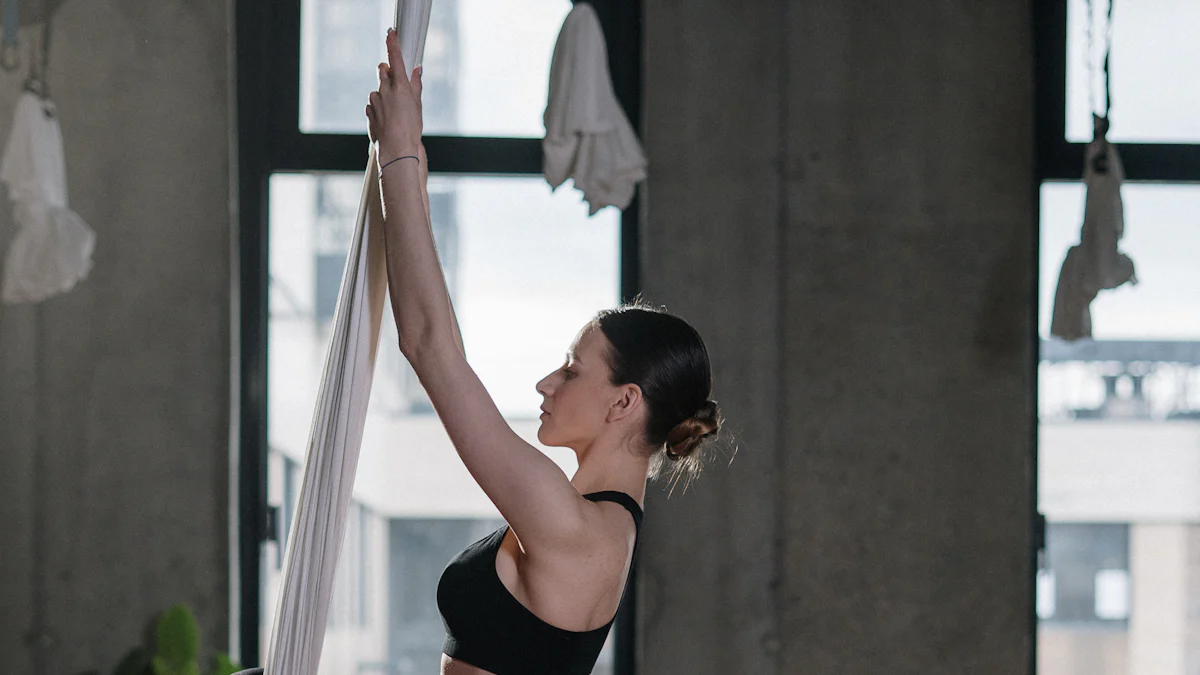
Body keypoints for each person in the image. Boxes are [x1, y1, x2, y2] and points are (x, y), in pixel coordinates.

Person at [366, 29, 723, 675]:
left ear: (624, 400)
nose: (545, 383)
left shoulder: (574, 528)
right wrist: (408, 156)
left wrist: (398, 155)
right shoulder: (583, 521)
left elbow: (428, 344)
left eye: (571, 368)